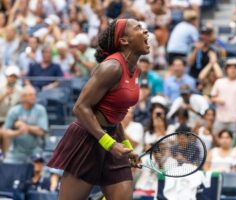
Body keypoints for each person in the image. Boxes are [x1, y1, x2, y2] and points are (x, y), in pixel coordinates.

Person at [47, 18, 150, 200]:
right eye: (138, 28)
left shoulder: (136, 70)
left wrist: (126, 147)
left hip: (112, 138)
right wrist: (109, 144)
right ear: (124, 40)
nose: (145, 31)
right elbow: (80, 108)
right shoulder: (111, 67)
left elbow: (115, 115)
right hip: (87, 139)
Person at [0, 85, 48, 163]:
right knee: (6, 166)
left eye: (34, 94)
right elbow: (4, 132)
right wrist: (18, 132)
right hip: (16, 153)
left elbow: (41, 132)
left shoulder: (40, 109)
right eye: (31, 95)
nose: (34, 97)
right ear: (23, 97)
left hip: (35, 151)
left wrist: (25, 126)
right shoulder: (14, 111)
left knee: (39, 169)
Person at [210, 58, 236, 135]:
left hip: (235, 120)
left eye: (235, 68)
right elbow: (212, 98)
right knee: (217, 141)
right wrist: (218, 100)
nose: (233, 70)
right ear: (226, 69)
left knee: (233, 143)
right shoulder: (219, 82)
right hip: (220, 119)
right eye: (230, 67)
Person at [0, 66, 23, 154]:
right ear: (7, 77)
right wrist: (5, 94)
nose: (12, 79)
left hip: (12, 120)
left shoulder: (20, 90)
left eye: (14, 77)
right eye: (11, 76)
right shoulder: (0, 87)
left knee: (6, 132)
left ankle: (7, 156)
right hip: (0, 118)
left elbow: (22, 106)